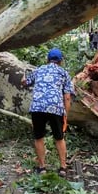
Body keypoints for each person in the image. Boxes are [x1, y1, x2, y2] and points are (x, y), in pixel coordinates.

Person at [21, 48, 75, 177]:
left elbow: (25, 83)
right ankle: (62, 167)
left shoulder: (39, 70)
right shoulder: (64, 73)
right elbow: (67, 97)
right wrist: (65, 114)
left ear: (47, 59)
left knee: (39, 137)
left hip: (37, 107)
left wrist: (24, 78)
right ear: (60, 61)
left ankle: (42, 167)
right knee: (59, 137)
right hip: (55, 107)